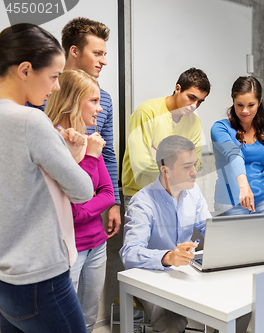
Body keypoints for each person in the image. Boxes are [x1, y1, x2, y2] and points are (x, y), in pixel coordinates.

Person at [0, 23, 93, 333]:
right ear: (25, 70)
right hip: (40, 278)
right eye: (53, 77)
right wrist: (76, 155)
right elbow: (82, 190)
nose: (55, 87)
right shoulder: (31, 121)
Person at [45, 69, 115, 333]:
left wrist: (82, 210)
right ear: (72, 100)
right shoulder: (52, 140)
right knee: (64, 325)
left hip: (96, 244)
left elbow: (107, 194)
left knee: (87, 319)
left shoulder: (90, 142)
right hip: (66, 251)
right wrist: (91, 157)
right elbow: (73, 207)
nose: (100, 109)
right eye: (94, 101)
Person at [120, 135, 211, 333]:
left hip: (185, 272)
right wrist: (167, 256)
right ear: (165, 170)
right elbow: (129, 253)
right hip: (153, 277)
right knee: (172, 323)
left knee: (240, 303)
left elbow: (210, 228)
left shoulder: (193, 193)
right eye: (187, 167)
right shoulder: (142, 203)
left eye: (195, 165)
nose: (195, 173)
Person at [61, 17, 121, 239]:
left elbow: (106, 153)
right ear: (74, 51)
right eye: (97, 53)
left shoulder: (103, 99)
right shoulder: (43, 93)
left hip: (91, 212)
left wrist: (114, 201)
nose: (104, 61)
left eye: (104, 54)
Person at [122, 68, 211, 208]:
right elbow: (141, 163)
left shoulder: (194, 122)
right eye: (191, 97)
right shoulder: (146, 112)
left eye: (200, 101)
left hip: (175, 196)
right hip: (141, 193)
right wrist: (180, 163)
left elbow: (196, 164)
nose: (194, 106)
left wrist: (160, 157)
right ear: (177, 89)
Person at [211, 76, 264, 215]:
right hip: (231, 204)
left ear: (259, 102)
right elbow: (234, 154)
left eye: (250, 105)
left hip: (261, 204)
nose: (245, 110)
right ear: (233, 101)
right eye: (239, 105)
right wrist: (244, 186)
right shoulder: (220, 128)